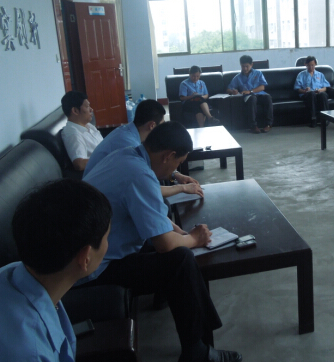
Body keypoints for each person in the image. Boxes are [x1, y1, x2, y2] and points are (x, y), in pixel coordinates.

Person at [80, 121, 242, 362]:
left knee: (178, 247)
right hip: (93, 270)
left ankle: (184, 314)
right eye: (178, 163)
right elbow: (164, 244)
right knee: (180, 260)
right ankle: (196, 352)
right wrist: (194, 239)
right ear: (168, 156)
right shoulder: (139, 175)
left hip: (96, 249)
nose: (175, 170)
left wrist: (179, 232)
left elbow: (146, 207)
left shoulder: (127, 155)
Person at [0, 179, 112, 362]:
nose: (108, 244)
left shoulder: (1, 277)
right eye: (107, 237)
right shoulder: (27, 353)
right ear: (85, 258)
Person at [84, 98, 203, 197]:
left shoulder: (128, 131)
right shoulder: (128, 144)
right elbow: (147, 186)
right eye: (162, 125)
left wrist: (175, 175)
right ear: (152, 125)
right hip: (94, 197)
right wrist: (182, 188)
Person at [226, 55, 273, 134]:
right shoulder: (238, 77)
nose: (245, 69)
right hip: (248, 97)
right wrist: (233, 91)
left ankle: (268, 124)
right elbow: (228, 89)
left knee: (267, 97)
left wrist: (250, 91)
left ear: (251, 65)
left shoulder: (258, 73)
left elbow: (262, 87)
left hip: (259, 94)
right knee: (252, 98)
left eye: (247, 66)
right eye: (243, 66)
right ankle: (253, 126)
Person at [61, 91, 103, 171]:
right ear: (75, 111)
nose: (91, 109)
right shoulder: (73, 133)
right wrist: (107, 158)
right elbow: (79, 164)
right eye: (87, 106)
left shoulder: (88, 125)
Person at [294, 55, 331, 127]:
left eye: (312, 65)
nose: (311, 67)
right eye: (309, 65)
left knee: (323, 94)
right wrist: (304, 91)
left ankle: (325, 118)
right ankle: (313, 119)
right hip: (307, 94)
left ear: (315, 64)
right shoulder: (301, 75)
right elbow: (297, 89)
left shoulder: (320, 75)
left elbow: (325, 87)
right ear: (305, 65)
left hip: (318, 93)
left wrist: (320, 90)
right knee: (311, 94)